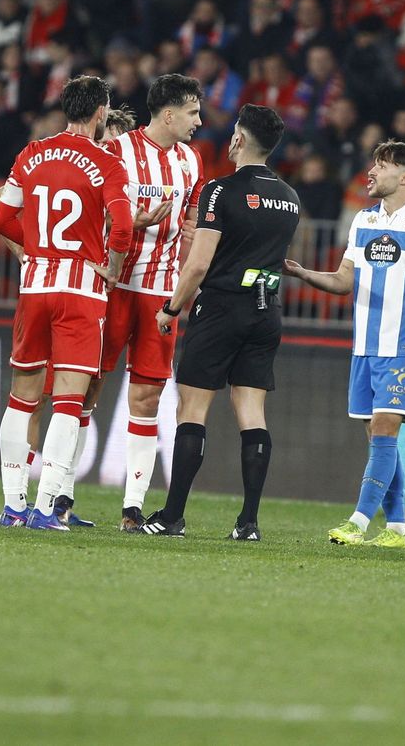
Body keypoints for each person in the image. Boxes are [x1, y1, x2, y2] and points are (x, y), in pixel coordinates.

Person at [284, 140, 405, 549]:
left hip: (404, 345)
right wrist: (305, 274)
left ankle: (358, 522)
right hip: (364, 345)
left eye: (381, 165)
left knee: (383, 429)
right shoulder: (363, 221)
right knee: (380, 439)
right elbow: (345, 281)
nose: (372, 172)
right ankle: (396, 529)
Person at [142, 105, 302, 539]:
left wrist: (171, 308)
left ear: (238, 141)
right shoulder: (290, 197)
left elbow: (197, 266)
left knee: (192, 409)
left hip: (221, 307)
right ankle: (248, 522)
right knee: (251, 412)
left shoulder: (219, 190)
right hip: (268, 310)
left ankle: (172, 516)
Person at [0, 76, 133, 530]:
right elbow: (125, 229)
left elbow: (0, 217)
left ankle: (13, 506)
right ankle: (48, 508)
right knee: (69, 403)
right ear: (100, 114)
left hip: (34, 288)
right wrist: (110, 266)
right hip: (81, 293)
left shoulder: (32, 153)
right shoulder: (107, 161)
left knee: (21, 400)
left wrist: (31, 246)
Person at [89, 74, 204, 531]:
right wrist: (130, 222)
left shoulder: (191, 162)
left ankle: (132, 507)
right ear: (170, 113)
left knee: (149, 394)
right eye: (193, 112)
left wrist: (189, 280)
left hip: (160, 290)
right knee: (89, 386)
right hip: (112, 286)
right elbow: (92, 209)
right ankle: (61, 497)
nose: (199, 121)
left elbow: (192, 221)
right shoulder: (116, 153)